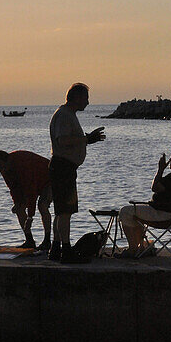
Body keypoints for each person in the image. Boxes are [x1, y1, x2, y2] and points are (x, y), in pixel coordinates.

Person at [48, 82, 105, 263]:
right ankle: (66, 251)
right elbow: (63, 140)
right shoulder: (65, 115)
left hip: (64, 167)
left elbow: (72, 141)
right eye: (86, 98)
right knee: (65, 212)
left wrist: (88, 140)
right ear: (77, 97)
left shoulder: (67, 114)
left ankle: (56, 248)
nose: (88, 102)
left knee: (61, 211)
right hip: (63, 167)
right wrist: (86, 138)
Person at [117, 145, 171, 257]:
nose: (170, 161)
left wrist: (160, 169)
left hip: (163, 214)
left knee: (125, 212)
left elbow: (155, 187)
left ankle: (133, 249)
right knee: (134, 212)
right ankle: (143, 247)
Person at [0, 149, 52, 250]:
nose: (2, 170)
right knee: (19, 208)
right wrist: (17, 203)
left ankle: (47, 240)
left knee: (42, 205)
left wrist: (30, 217)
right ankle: (29, 240)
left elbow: (31, 191)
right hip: (34, 183)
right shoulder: (4, 169)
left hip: (50, 180)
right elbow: (13, 188)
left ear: (7, 160)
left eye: (2, 167)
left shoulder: (23, 164)